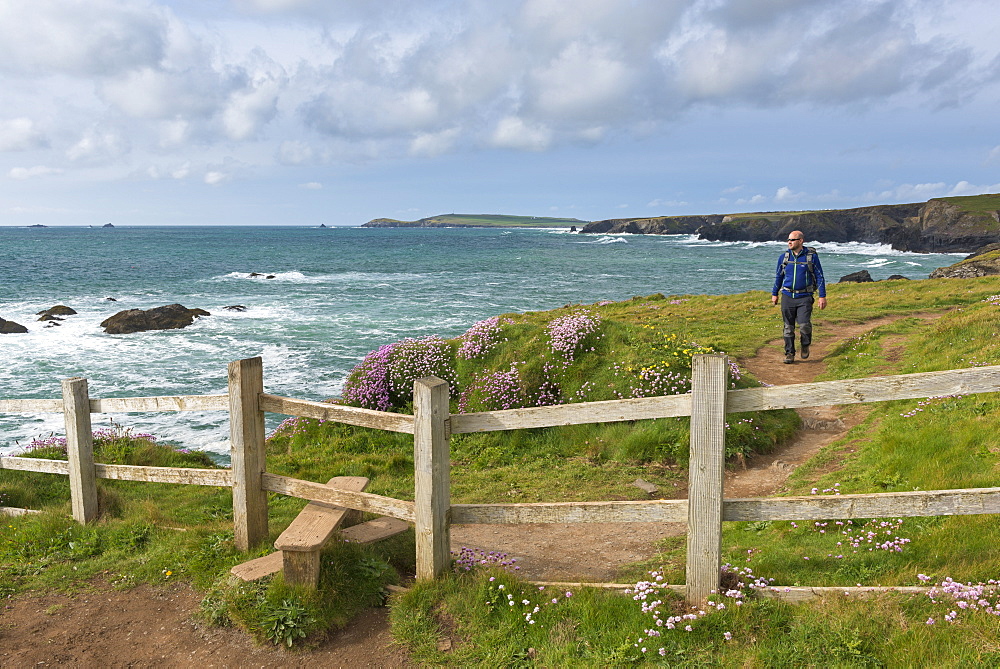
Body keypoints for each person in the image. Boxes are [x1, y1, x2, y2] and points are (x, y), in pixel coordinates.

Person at [771, 231, 827, 364]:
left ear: (801, 241)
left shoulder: (811, 257)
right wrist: (774, 293)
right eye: (788, 240)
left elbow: (820, 276)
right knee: (788, 327)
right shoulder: (784, 257)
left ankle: (805, 345)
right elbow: (779, 276)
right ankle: (789, 353)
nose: (789, 242)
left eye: (792, 240)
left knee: (804, 326)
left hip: (805, 297)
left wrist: (822, 296)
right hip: (787, 296)